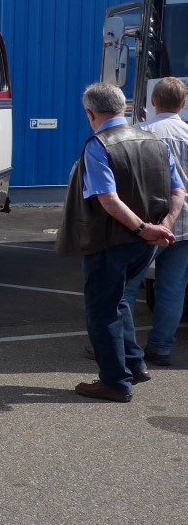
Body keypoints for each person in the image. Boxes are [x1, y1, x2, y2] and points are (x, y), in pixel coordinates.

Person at [55, 82, 185, 402]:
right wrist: (162, 226)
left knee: (103, 310)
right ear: (124, 108)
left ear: (91, 114)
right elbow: (178, 191)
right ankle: (135, 363)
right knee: (120, 301)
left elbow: (108, 200)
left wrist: (143, 228)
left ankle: (115, 381)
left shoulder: (99, 145)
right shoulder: (154, 141)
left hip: (111, 240)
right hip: (147, 241)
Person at [121, 77, 188, 365]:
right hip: (184, 226)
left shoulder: (136, 133)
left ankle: (122, 346)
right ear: (183, 104)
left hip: (144, 225)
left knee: (126, 287)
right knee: (172, 289)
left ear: (152, 102)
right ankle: (160, 347)